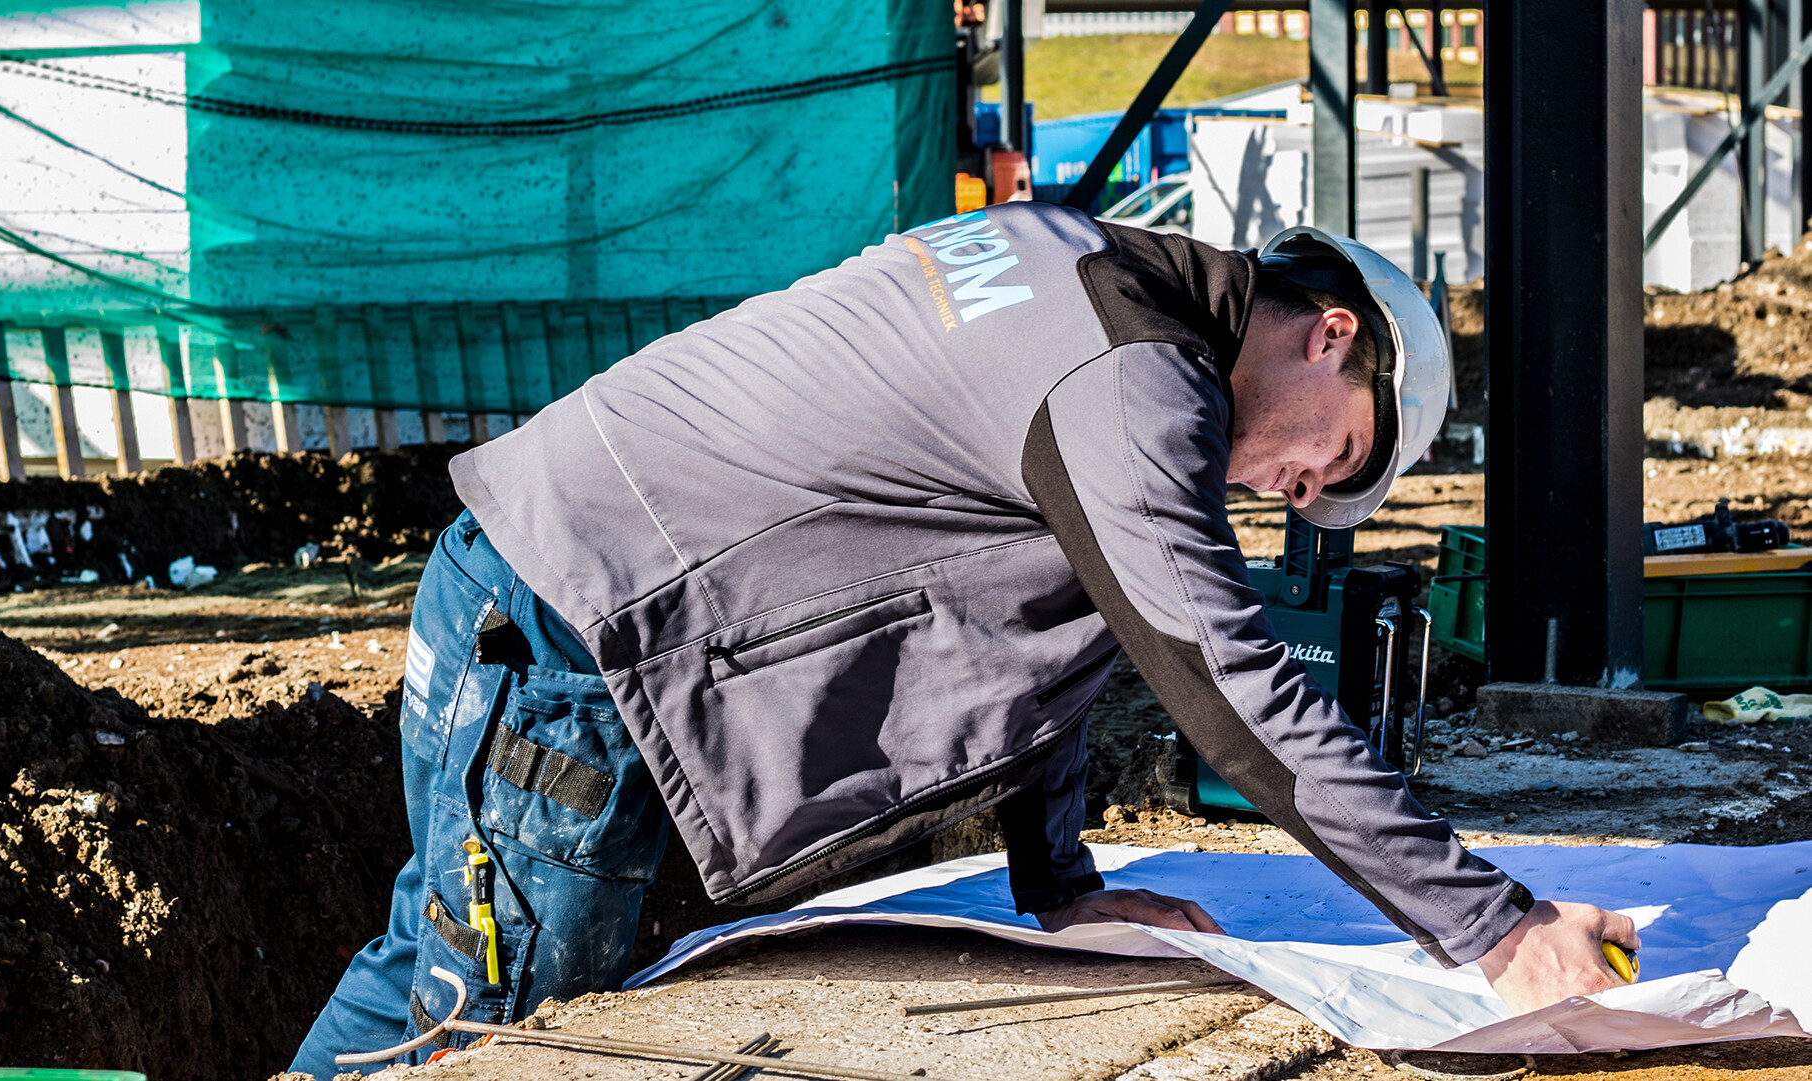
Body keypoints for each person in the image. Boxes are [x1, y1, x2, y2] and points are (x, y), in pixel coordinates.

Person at [289, 203, 1637, 1077]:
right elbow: (1221, 676)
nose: (1277, 487)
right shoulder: (1128, 371)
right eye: (1320, 459)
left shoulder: (1082, 262)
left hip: (546, 596)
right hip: (569, 641)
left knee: (438, 974)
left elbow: (1051, 617)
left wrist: (1057, 882)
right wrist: (1493, 926)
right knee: (498, 1032)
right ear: (1331, 333)